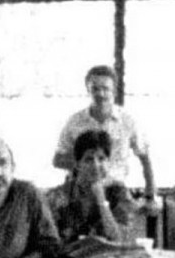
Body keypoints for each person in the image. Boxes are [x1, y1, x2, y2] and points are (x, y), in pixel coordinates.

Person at [45, 128, 139, 258]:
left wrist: (102, 201)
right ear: (77, 164)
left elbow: (120, 240)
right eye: (88, 159)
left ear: (108, 161)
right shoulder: (57, 197)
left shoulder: (120, 193)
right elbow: (48, 249)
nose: (96, 165)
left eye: (101, 158)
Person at [52, 64, 156, 201]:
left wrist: (151, 196)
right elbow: (57, 160)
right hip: (81, 193)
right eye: (95, 89)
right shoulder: (74, 122)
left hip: (116, 192)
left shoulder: (128, 122)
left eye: (105, 89)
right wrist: (86, 166)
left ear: (114, 90)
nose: (100, 94)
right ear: (88, 90)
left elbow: (145, 159)